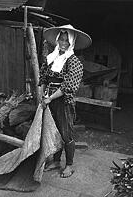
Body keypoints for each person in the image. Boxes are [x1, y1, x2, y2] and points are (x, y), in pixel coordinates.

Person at [38, 24, 92, 178]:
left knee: (65, 133)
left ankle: (69, 165)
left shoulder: (74, 62)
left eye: (66, 41)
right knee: (53, 131)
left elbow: (68, 86)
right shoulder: (51, 57)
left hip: (63, 102)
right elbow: (43, 77)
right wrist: (43, 94)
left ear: (71, 43)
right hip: (48, 100)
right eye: (60, 39)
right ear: (57, 40)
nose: (63, 43)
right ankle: (56, 161)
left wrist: (50, 98)